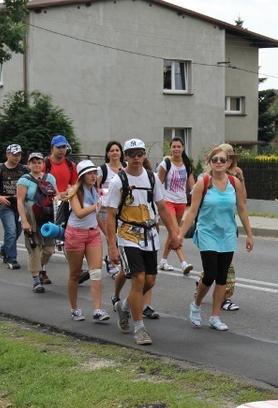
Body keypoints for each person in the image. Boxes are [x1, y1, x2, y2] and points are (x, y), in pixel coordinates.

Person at [105, 138, 182, 345]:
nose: (136, 158)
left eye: (140, 153)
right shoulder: (117, 182)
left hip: (150, 235)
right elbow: (111, 215)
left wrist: (174, 234)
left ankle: (125, 307)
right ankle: (139, 328)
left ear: (144, 155)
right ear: (125, 156)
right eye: (132, 154)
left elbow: (163, 207)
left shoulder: (151, 178)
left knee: (149, 281)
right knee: (138, 279)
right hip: (128, 235)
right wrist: (112, 245)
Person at [179, 146, 253, 332]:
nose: (218, 163)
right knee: (210, 274)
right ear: (209, 163)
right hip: (207, 233)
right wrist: (179, 235)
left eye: (222, 160)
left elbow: (242, 209)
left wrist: (249, 235)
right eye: (215, 160)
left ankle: (214, 317)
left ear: (228, 163)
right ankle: (196, 305)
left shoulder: (234, 182)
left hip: (227, 234)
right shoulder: (203, 183)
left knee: (222, 278)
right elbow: (192, 211)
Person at [63, 160, 109, 322]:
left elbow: (96, 216)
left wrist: (108, 234)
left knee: (96, 272)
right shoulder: (74, 191)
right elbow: (79, 212)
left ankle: (97, 309)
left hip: (93, 234)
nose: (93, 176)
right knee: (75, 274)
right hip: (75, 234)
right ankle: (74, 308)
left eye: (94, 173)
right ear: (82, 176)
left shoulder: (95, 191)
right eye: (90, 173)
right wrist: (97, 205)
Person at [16, 152, 59, 293]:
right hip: (31, 216)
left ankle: (38, 268)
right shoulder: (24, 180)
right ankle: (36, 280)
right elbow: (20, 202)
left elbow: (57, 195)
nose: (36, 165)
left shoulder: (50, 178)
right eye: (33, 162)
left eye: (39, 162)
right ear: (29, 164)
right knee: (34, 249)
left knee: (48, 250)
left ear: (43, 164)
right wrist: (24, 221)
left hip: (47, 217)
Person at [43, 134, 81, 286]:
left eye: (64, 147)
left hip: (65, 204)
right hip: (48, 205)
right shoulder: (46, 163)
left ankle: (76, 271)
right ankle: (41, 270)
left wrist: (68, 193)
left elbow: (74, 184)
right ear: (52, 148)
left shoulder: (71, 165)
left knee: (68, 236)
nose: (62, 150)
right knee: (48, 242)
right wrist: (57, 194)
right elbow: (42, 181)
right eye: (58, 147)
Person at [157, 137, 195, 275]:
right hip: (168, 201)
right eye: (174, 147)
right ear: (170, 149)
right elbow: (158, 183)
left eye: (179, 146)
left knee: (172, 233)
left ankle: (163, 261)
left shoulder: (187, 165)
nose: (176, 149)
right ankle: (183, 262)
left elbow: (192, 186)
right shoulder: (165, 164)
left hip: (181, 201)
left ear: (183, 148)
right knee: (176, 231)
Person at [0, 144, 28, 270]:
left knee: (17, 231)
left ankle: (4, 250)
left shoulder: (23, 170)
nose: (17, 157)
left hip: (20, 206)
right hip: (5, 206)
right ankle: (12, 259)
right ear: (7, 155)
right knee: (10, 231)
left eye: (19, 155)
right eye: (14, 155)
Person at [216, 143, 243, 311]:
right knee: (222, 267)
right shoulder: (211, 175)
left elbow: (243, 203)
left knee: (222, 265)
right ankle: (223, 298)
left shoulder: (235, 176)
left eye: (232, 156)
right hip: (211, 228)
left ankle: (204, 282)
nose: (230, 159)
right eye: (228, 156)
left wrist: (241, 179)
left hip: (228, 226)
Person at [97, 140, 126, 278]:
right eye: (112, 150)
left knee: (120, 236)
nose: (115, 153)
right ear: (107, 153)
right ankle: (113, 266)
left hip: (123, 209)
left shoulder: (126, 168)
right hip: (105, 209)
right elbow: (95, 188)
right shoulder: (102, 169)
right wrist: (104, 192)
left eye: (117, 150)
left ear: (121, 153)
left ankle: (111, 259)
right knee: (110, 236)